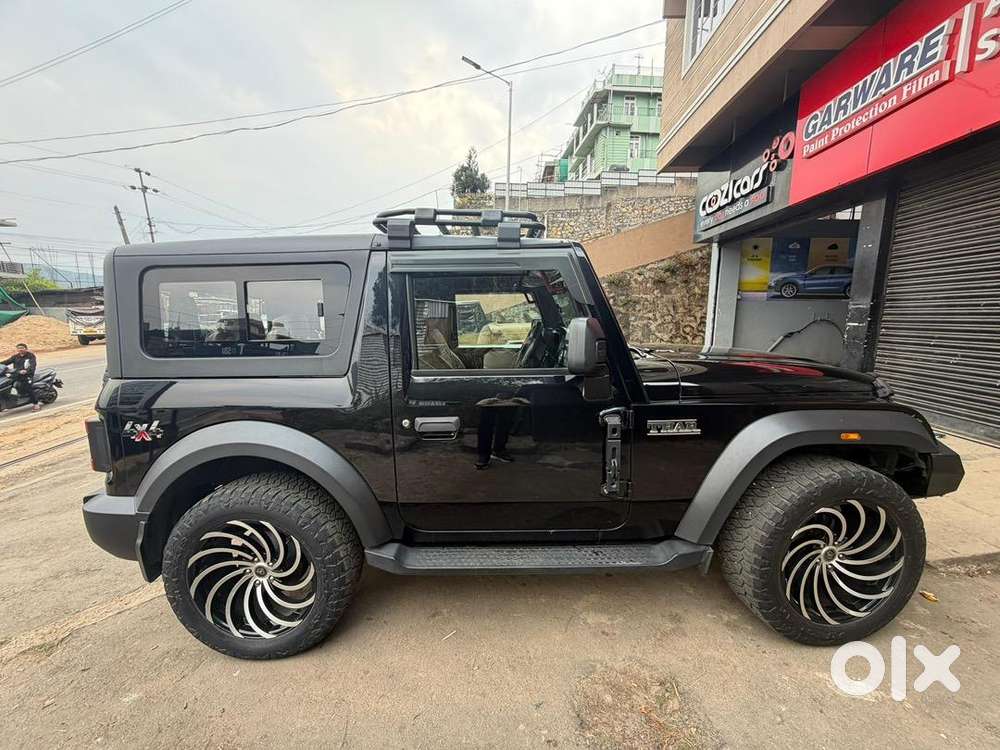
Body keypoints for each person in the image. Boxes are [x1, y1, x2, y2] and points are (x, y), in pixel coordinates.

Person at [2, 343, 40, 411]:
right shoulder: (15, 356)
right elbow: (7, 362)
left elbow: (32, 365)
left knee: (28, 387)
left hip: (27, 375)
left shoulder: (30, 356)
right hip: (16, 374)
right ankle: (6, 403)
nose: (20, 349)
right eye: (19, 348)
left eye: (22, 348)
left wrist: (26, 371)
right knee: (7, 385)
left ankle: (36, 404)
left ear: (26, 349)